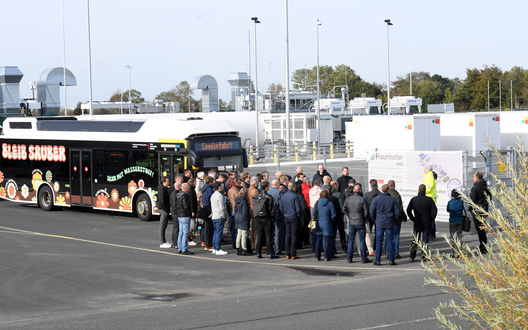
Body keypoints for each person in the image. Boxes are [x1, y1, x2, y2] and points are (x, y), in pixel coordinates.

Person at [370, 184, 400, 266]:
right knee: (390, 241)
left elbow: (372, 212)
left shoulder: (376, 199)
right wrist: (393, 219)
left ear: (381, 190)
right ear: (388, 190)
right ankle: (391, 260)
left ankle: (378, 260)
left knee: (379, 242)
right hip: (389, 222)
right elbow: (397, 212)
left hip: (379, 222)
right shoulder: (392, 199)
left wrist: (376, 220)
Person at [407, 184, 438, 262]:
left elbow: (408, 210)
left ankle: (412, 256)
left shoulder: (414, 199)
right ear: (425, 191)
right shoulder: (429, 200)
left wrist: (413, 218)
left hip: (417, 221)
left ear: (418, 190)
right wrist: (431, 218)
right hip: (427, 222)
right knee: (425, 240)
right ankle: (422, 257)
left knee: (415, 240)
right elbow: (434, 210)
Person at [342, 185, 371, 263]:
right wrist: (363, 218)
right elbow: (366, 212)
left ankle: (349, 258)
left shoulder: (348, 199)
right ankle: (364, 258)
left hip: (352, 222)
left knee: (351, 240)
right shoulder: (362, 199)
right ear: (360, 190)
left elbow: (344, 209)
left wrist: (349, 215)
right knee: (362, 240)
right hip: (360, 222)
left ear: (354, 190)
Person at [253, 181, 279, 259]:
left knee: (260, 235)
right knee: (269, 236)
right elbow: (272, 209)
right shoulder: (269, 197)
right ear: (267, 187)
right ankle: (270, 253)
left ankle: (258, 252)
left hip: (259, 218)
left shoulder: (256, 196)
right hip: (267, 218)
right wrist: (272, 217)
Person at [469, 172, 491, 253]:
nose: (473, 178)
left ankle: (483, 247)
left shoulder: (475, 188)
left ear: (476, 178)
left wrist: (470, 209)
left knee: (479, 229)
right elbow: (489, 198)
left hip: (478, 210)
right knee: (483, 228)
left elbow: (472, 200)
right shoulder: (486, 187)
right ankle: (483, 246)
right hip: (484, 209)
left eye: (474, 176)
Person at [280, 182, 302, 259]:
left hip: (286, 217)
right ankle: (293, 253)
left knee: (287, 234)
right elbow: (298, 208)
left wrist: (284, 214)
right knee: (293, 235)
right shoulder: (295, 196)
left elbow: (281, 207)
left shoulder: (283, 196)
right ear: (293, 188)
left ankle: (287, 253)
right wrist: (299, 216)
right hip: (294, 217)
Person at [312, 190, 336, 261]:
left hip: (319, 223)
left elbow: (314, 213)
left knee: (318, 240)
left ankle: (317, 256)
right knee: (327, 240)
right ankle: (327, 256)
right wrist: (331, 219)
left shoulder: (317, 203)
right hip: (327, 223)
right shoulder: (330, 204)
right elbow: (334, 214)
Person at [388, 180, 406, 259]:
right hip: (396, 219)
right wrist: (403, 217)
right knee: (396, 236)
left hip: (387, 219)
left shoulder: (385, 195)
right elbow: (400, 208)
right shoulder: (397, 195)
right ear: (394, 186)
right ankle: (395, 253)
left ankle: (388, 252)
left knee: (389, 236)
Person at [211, 182, 228, 255]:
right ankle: (218, 249)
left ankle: (214, 248)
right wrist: (224, 215)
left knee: (215, 232)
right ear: (219, 187)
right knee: (219, 233)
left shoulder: (213, 195)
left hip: (214, 216)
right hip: (219, 216)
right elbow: (222, 208)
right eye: (221, 186)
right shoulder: (220, 196)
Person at [325, 185, 343, 258]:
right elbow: (338, 211)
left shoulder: (321, 199)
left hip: (325, 220)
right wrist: (337, 219)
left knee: (326, 237)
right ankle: (332, 252)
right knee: (332, 237)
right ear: (331, 191)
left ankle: (327, 252)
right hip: (333, 221)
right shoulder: (334, 199)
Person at [175, 183, 193, 255]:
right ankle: (184, 249)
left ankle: (180, 248)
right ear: (185, 188)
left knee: (181, 232)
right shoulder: (185, 196)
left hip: (180, 215)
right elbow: (186, 206)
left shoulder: (178, 195)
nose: (189, 189)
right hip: (185, 215)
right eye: (188, 187)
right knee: (185, 233)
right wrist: (189, 214)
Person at [268, 179, 285, 255]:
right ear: (277, 185)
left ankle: (270, 248)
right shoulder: (279, 192)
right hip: (278, 215)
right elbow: (281, 205)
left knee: (270, 233)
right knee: (278, 233)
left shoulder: (268, 192)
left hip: (269, 215)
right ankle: (277, 249)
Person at [365, 179, 381, 254]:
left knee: (368, 233)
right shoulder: (381, 194)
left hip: (369, 215)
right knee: (377, 233)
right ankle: (376, 247)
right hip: (378, 216)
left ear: (371, 186)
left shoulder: (367, 194)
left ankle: (368, 247)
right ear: (377, 186)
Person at [234, 188, 252, 256]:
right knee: (244, 234)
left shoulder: (237, 200)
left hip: (238, 217)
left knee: (239, 234)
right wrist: (248, 217)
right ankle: (244, 249)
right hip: (243, 219)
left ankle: (238, 248)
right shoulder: (244, 201)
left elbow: (235, 210)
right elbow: (245, 212)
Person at [447, 189, 464, 256]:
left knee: (453, 237)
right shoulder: (461, 202)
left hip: (452, 221)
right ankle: (460, 252)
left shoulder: (450, 202)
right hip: (460, 220)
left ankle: (454, 252)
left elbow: (448, 210)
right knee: (459, 236)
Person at [422, 165, 438, 239]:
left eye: (425, 169)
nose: (424, 170)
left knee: (430, 217)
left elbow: (427, 189)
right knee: (430, 217)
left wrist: (421, 191)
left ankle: (431, 233)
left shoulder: (429, 177)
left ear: (427, 170)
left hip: (428, 198)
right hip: (430, 199)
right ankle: (432, 233)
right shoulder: (429, 176)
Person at [331, 181, 346, 254]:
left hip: (333, 217)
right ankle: (344, 248)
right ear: (335, 186)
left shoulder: (329, 194)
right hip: (339, 216)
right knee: (341, 233)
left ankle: (333, 249)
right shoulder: (339, 194)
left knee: (333, 234)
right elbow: (342, 205)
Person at [200, 176, 215, 251]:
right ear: (211, 181)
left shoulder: (203, 189)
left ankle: (206, 244)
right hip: (209, 209)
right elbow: (211, 200)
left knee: (206, 227)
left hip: (204, 209)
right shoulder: (210, 189)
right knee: (210, 228)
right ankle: (209, 244)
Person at [158, 176, 172, 248]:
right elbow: (161, 201)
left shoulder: (164, 189)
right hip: (163, 210)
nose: (169, 182)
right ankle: (162, 242)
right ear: (164, 182)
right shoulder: (162, 190)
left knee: (164, 226)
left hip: (165, 209)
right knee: (162, 226)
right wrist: (165, 209)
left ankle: (164, 241)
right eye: (167, 181)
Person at [309, 179, 323, 251]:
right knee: (320, 229)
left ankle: (313, 246)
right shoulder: (321, 191)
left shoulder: (310, 191)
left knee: (313, 228)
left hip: (312, 209)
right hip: (319, 209)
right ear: (320, 184)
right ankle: (321, 246)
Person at [228, 178, 242, 249]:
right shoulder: (236, 191)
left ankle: (234, 242)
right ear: (236, 184)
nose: (240, 184)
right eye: (239, 183)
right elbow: (238, 201)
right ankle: (237, 243)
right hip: (236, 210)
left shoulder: (230, 190)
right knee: (237, 228)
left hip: (232, 209)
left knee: (233, 228)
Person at [248, 176, 260, 250]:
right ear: (255, 183)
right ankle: (256, 244)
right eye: (258, 182)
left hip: (251, 210)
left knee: (253, 228)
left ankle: (253, 243)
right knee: (256, 229)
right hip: (255, 211)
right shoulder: (255, 191)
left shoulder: (249, 188)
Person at [186, 178, 198, 246]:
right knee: (191, 226)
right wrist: (192, 211)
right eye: (195, 182)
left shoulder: (191, 189)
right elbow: (191, 202)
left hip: (192, 210)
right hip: (191, 211)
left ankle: (190, 238)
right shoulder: (191, 190)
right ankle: (190, 239)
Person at [170, 182, 182, 249]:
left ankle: (176, 243)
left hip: (175, 213)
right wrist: (177, 212)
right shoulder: (175, 194)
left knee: (176, 227)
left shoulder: (174, 193)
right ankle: (175, 243)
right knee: (176, 228)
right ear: (178, 186)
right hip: (176, 213)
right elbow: (174, 205)